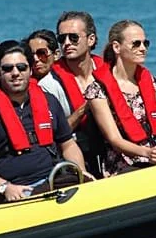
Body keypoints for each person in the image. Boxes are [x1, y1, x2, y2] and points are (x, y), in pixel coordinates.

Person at [0, 40, 86, 204]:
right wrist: (5, 187)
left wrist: (82, 172)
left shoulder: (49, 101)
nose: (15, 73)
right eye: (7, 69)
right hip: (18, 191)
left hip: (56, 179)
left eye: (21, 67)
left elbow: (68, 144)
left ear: (30, 70)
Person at [85, 20, 156, 176]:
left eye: (145, 43)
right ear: (117, 47)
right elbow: (115, 140)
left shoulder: (154, 84)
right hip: (124, 163)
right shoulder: (97, 91)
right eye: (136, 44)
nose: (143, 48)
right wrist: (146, 152)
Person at [41, 11, 108, 177]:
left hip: (111, 150)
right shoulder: (48, 85)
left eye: (73, 37)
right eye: (62, 39)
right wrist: (85, 108)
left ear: (91, 39)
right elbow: (51, 137)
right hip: (73, 156)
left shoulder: (109, 73)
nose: (67, 43)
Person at [26, 29, 68, 111]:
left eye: (42, 53)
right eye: (30, 55)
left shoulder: (56, 82)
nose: (35, 59)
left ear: (56, 54)